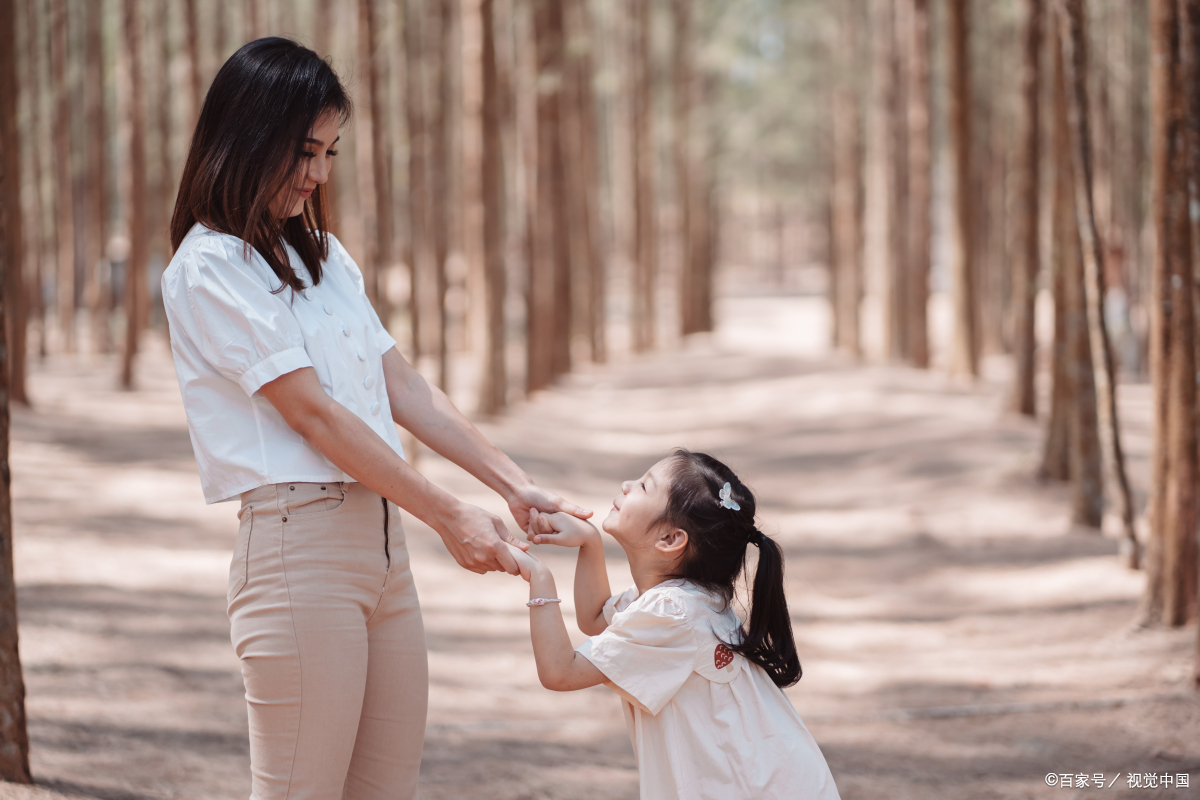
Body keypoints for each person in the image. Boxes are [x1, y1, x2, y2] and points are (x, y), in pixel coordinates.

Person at [161, 38, 587, 800]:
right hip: (299, 553)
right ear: (248, 134)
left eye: (329, 151)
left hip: (384, 552)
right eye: (304, 150)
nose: (320, 174)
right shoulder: (207, 269)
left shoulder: (325, 257)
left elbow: (405, 388)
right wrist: (451, 515)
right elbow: (314, 418)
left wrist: (513, 484)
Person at [508, 450, 841, 799]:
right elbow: (595, 621)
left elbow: (561, 673)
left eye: (643, 486)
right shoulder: (684, 600)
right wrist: (589, 543)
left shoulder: (672, 612)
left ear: (670, 539)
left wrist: (538, 577)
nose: (626, 485)